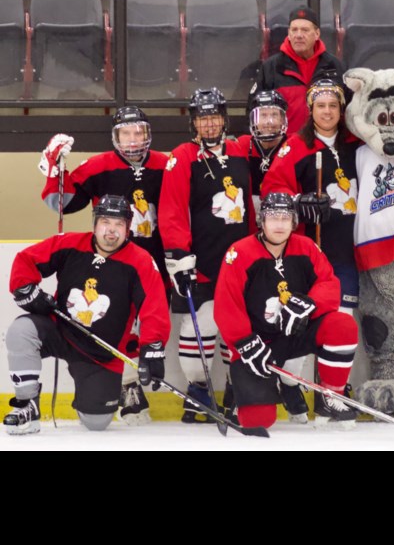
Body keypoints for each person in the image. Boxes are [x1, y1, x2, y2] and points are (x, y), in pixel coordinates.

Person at [36, 106, 168, 425]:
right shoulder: (98, 166)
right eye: (126, 133)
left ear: (148, 134)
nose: (133, 139)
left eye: (139, 132)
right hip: (112, 262)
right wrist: (54, 169)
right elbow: (61, 204)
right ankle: (128, 385)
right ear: (115, 136)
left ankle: (132, 382)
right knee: (118, 324)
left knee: (146, 322)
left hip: (158, 259)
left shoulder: (167, 165)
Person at [4, 195, 169, 435]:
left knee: (96, 421)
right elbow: (26, 259)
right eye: (105, 222)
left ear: (128, 227)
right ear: (95, 223)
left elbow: (154, 306)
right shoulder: (70, 244)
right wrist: (26, 289)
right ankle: (27, 405)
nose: (111, 231)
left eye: (119, 224)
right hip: (61, 331)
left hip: (102, 353)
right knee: (22, 331)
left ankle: (93, 394)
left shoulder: (141, 261)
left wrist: (153, 346)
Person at [213, 192, 359, 429]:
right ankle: (245, 396)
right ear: (262, 220)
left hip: (294, 336)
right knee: (257, 421)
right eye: (272, 217)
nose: (279, 224)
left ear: (294, 221)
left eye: (285, 217)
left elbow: (329, 284)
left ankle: (332, 396)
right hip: (257, 345)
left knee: (341, 325)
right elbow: (226, 305)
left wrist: (310, 304)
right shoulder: (239, 252)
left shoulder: (307, 247)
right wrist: (245, 343)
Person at [261, 79, 360, 420]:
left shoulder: (355, 143)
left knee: (341, 320)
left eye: (333, 106)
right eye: (321, 106)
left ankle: (334, 389)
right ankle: (291, 382)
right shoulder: (295, 147)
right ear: (311, 110)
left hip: (347, 250)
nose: (328, 112)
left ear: (341, 110)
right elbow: (272, 189)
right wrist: (298, 202)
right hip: (310, 252)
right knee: (303, 319)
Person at [160, 87, 255, 423]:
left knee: (237, 328)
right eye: (203, 118)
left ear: (224, 118)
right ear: (194, 123)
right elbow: (171, 211)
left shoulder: (242, 149)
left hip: (240, 262)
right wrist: (179, 257)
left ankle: (234, 386)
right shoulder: (182, 156)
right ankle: (198, 389)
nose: (210, 123)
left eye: (214, 116)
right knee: (198, 324)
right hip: (201, 261)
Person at [248, 5, 347, 134]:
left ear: (317, 34)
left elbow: (348, 111)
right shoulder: (271, 67)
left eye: (305, 30)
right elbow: (253, 112)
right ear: (288, 34)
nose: (299, 35)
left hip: (325, 147)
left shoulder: (335, 66)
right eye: (294, 30)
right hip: (284, 149)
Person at [239, 89, 290, 206]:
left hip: (283, 216)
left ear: (283, 118)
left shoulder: (293, 145)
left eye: (274, 115)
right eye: (263, 115)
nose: (269, 122)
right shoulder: (242, 145)